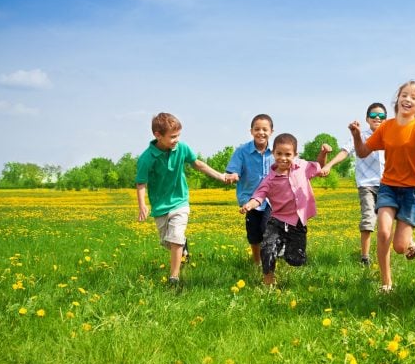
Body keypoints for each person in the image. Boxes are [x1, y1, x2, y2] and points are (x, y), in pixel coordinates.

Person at [349, 80, 415, 292]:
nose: (407, 99)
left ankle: (409, 242)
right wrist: (357, 135)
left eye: (413, 97)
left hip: (413, 192)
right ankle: (386, 283)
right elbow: (362, 152)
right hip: (388, 187)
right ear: (398, 99)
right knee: (384, 232)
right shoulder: (386, 127)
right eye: (404, 95)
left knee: (399, 247)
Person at [136, 112, 238, 287]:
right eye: (172, 136)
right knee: (167, 241)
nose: (177, 139)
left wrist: (220, 177)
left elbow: (198, 164)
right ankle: (183, 247)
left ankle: (174, 278)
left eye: (178, 135)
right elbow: (141, 183)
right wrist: (142, 204)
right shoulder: (147, 158)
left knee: (175, 237)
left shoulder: (182, 148)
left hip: (180, 201)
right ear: (157, 135)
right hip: (160, 205)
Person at [239, 133, 330, 286]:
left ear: (295, 155)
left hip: (298, 221)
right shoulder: (269, 179)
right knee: (267, 247)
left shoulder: (302, 166)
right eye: (279, 153)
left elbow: (319, 167)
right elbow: (259, 196)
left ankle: (284, 250)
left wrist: (323, 153)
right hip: (277, 220)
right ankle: (268, 281)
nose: (283, 158)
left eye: (288, 154)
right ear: (273, 153)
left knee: (296, 260)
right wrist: (250, 205)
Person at [321, 102, 387, 266]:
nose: (377, 118)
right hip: (366, 185)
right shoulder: (360, 136)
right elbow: (345, 151)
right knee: (368, 218)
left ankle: (385, 256)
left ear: (386, 119)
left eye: (381, 116)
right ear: (367, 119)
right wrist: (329, 165)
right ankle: (365, 258)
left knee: (388, 220)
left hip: (388, 184)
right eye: (373, 116)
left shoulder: (390, 135)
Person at [226, 114, 274, 267]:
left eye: (265, 129)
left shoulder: (275, 152)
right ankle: (256, 261)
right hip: (249, 200)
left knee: (266, 229)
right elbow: (233, 170)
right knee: (254, 233)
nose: (261, 132)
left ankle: (269, 260)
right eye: (257, 129)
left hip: (271, 200)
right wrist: (233, 175)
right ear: (251, 131)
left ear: (271, 132)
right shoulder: (242, 151)